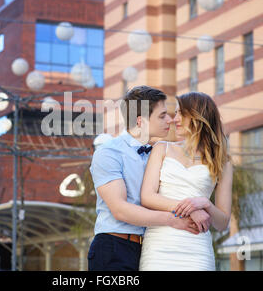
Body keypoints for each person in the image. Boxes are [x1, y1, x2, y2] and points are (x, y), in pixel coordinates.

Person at [88, 86, 206, 271]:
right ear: (141, 121)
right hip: (114, 248)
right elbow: (120, 210)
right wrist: (173, 219)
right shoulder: (109, 152)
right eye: (162, 116)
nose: (170, 120)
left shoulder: (161, 153)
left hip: (149, 249)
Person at [139, 91, 233, 271]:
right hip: (160, 246)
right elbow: (147, 197)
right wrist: (191, 210)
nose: (174, 119)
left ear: (198, 117)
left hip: (197, 248)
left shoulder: (223, 162)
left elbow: (222, 223)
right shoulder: (161, 148)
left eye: (181, 113)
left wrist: (204, 204)